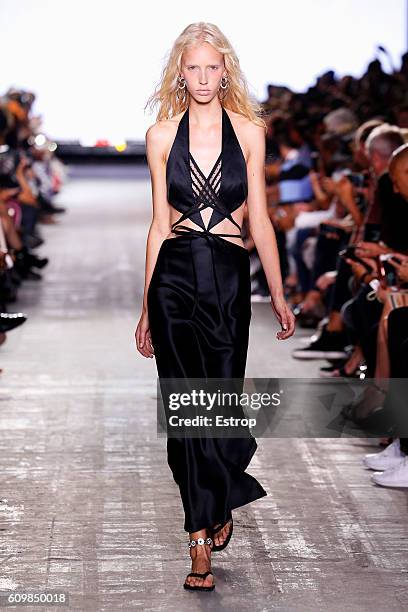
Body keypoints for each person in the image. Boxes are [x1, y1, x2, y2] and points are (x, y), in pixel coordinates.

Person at [135, 22, 295, 592]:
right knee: (185, 407)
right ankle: (198, 536)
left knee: (219, 404)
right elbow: (158, 224)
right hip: (174, 279)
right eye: (193, 68)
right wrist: (146, 306)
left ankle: (219, 490)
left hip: (227, 279)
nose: (203, 78)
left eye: (212, 67)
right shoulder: (160, 136)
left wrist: (277, 293)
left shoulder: (251, 133)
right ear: (180, 72)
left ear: (225, 70)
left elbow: (260, 220)